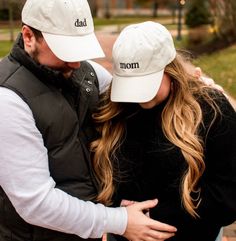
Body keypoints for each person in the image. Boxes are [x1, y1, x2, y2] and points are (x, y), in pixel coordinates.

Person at [0, 1, 178, 240]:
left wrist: (190, 90)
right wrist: (119, 221)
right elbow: (36, 202)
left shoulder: (87, 73)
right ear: (29, 36)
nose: (76, 63)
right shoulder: (8, 99)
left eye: (79, 49)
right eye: (66, 51)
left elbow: (137, 95)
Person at [90, 21, 236, 241]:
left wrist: (154, 217)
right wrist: (117, 212)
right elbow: (97, 177)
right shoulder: (112, 111)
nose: (138, 96)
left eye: (146, 83)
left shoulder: (211, 109)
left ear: (171, 70)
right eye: (131, 84)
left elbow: (228, 196)